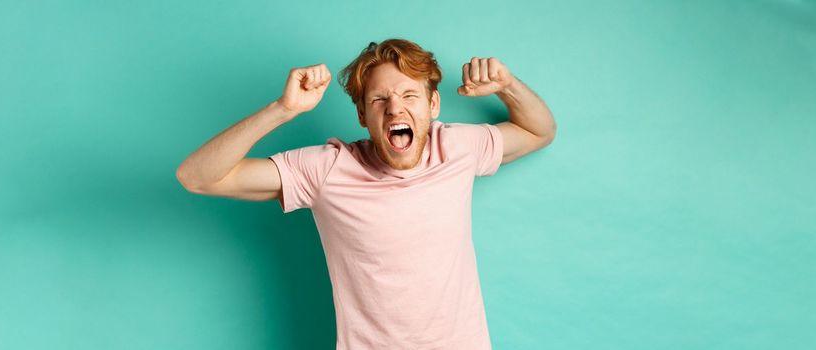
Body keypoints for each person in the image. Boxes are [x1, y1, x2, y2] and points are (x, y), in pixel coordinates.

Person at [176, 38, 556, 349]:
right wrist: (283, 109)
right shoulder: (326, 168)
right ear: (361, 114)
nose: (395, 109)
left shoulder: (456, 147)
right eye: (379, 100)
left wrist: (508, 85)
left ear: (433, 105)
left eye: (410, 96)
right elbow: (198, 177)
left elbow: (540, 131)